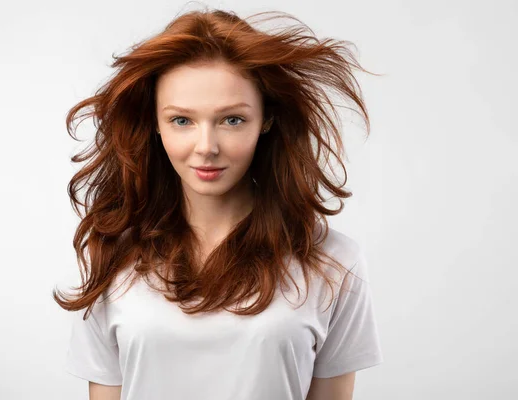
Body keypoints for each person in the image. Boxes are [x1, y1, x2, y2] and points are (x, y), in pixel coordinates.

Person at [53, 7, 383, 400]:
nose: (206, 147)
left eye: (232, 120)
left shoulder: (334, 262)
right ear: (154, 124)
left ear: (266, 120)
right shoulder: (111, 255)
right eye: (181, 120)